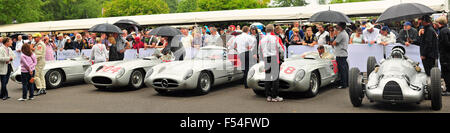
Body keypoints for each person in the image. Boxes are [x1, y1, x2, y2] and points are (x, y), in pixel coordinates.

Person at [259, 24, 284, 102]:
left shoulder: (262, 39)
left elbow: (259, 51)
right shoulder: (275, 38)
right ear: (273, 30)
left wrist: (262, 59)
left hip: (266, 58)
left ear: (266, 30)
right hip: (274, 58)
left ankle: (268, 96)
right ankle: (275, 96)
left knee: (267, 77)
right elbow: (281, 50)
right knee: (275, 78)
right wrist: (282, 58)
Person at [435, 16, 450, 96]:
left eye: (436, 23)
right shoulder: (445, 30)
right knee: (446, 72)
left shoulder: (443, 31)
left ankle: (448, 89)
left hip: (445, 56)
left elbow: (446, 44)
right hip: (446, 55)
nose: (435, 24)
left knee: (446, 73)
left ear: (439, 23)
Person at [332, 22, 349, 89]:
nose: (336, 26)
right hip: (343, 53)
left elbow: (334, 43)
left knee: (342, 70)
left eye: (338, 25)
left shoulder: (341, 34)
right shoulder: (344, 33)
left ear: (340, 27)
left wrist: (335, 36)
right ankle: (346, 83)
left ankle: (343, 84)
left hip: (340, 54)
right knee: (344, 69)